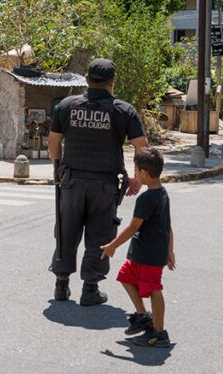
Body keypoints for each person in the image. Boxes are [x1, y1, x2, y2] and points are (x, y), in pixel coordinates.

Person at [48, 58, 149, 306]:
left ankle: (61, 285)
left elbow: (53, 142)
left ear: (86, 79)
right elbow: (142, 146)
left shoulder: (67, 105)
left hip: (71, 181)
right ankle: (90, 289)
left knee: (66, 230)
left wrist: (57, 167)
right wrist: (138, 177)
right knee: (100, 235)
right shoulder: (123, 110)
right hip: (104, 185)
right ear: (112, 82)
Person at [100, 148, 175, 348]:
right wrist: (170, 250)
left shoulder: (147, 198)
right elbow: (168, 225)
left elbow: (134, 226)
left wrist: (112, 246)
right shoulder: (161, 192)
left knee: (153, 289)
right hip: (143, 252)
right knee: (125, 276)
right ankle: (143, 315)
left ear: (142, 172)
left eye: (135, 170)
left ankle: (159, 333)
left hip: (150, 254)